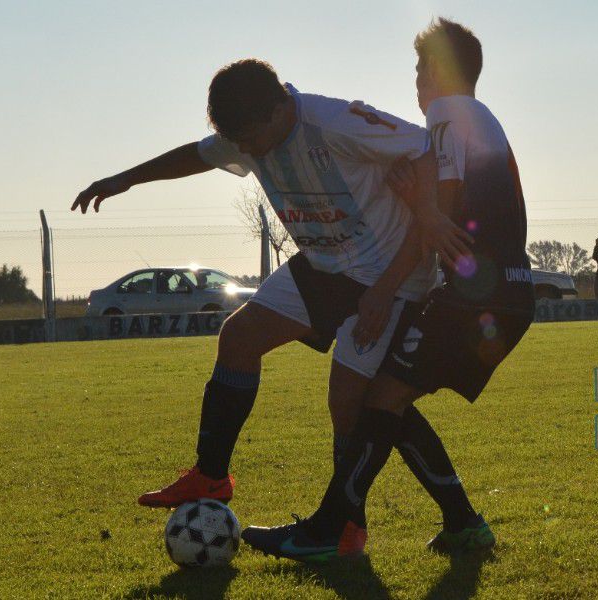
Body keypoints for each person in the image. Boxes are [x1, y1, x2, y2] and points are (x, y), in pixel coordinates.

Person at [71, 59, 474, 556]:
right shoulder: (249, 128)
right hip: (325, 264)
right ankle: (212, 476)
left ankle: (348, 530)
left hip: (387, 272)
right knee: (239, 339)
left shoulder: (337, 122)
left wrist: (396, 273)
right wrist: (126, 179)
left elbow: (426, 148)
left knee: (356, 402)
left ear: (278, 110)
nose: (242, 152)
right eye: (235, 142)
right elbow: (199, 155)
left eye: (247, 141)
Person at [241, 18, 536, 562]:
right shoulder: (483, 117)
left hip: (476, 297)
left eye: (422, 67)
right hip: (506, 293)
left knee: (380, 399)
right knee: (388, 398)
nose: (417, 80)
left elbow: (439, 217)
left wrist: (412, 221)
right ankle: (462, 524)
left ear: (442, 71)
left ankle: (331, 529)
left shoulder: (446, 114)